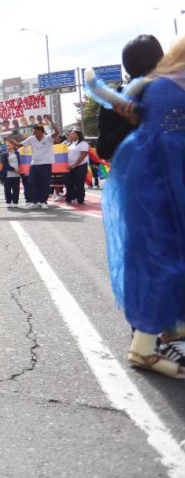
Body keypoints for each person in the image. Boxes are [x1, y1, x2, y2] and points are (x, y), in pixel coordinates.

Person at [103, 36, 185, 379]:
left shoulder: (153, 89)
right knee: (157, 256)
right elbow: (106, 146)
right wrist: (133, 120)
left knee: (161, 256)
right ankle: (148, 335)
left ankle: (166, 329)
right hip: (149, 184)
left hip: (157, 181)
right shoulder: (135, 95)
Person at [98, 35, 164, 160]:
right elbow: (104, 150)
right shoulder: (116, 99)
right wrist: (130, 122)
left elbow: (104, 151)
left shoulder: (173, 90)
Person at [12, 124, 59, 209]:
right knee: (31, 183)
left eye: (35, 132)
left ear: (41, 132)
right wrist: (9, 140)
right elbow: (18, 145)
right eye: (33, 132)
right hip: (34, 164)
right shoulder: (31, 139)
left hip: (46, 164)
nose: (34, 134)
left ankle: (43, 201)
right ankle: (34, 202)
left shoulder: (48, 138)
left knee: (44, 184)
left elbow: (57, 132)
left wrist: (51, 121)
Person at [64, 130, 90, 205]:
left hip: (80, 166)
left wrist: (75, 165)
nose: (71, 135)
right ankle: (70, 198)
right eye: (70, 134)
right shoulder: (68, 143)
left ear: (78, 135)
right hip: (69, 167)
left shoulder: (83, 143)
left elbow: (83, 155)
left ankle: (80, 199)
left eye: (73, 134)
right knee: (68, 183)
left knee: (79, 183)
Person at [1, 139, 22, 207]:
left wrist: (19, 170)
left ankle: (15, 202)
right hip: (7, 174)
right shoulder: (4, 154)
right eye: (7, 145)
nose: (8, 146)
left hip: (17, 174)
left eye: (9, 144)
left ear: (13, 145)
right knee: (7, 189)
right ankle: (8, 202)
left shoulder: (18, 153)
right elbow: (5, 164)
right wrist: (13, 169)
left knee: (16, 189)